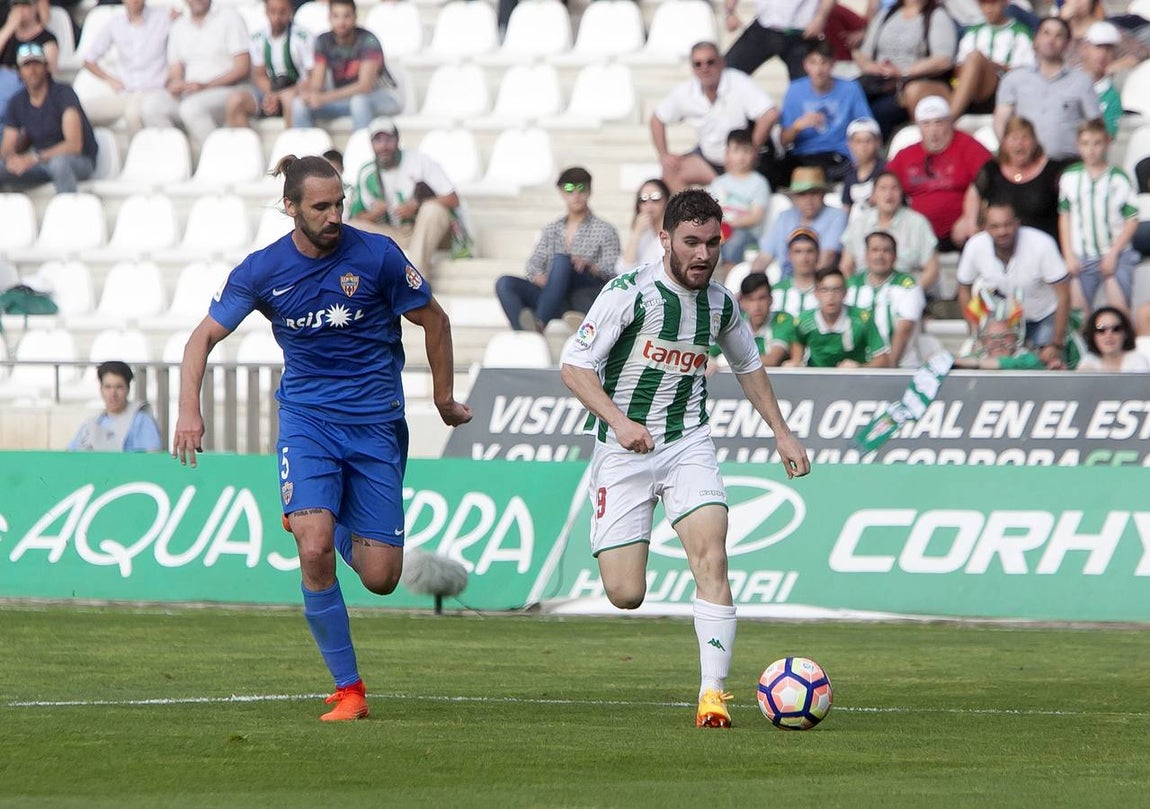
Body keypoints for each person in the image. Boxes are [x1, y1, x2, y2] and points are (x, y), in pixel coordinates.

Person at [172, 154, 472, 722]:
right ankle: (349, 689)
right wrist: (190, 410)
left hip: (377, 425)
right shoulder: (262, 270)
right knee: (313, 549)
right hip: (307, 424)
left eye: (339, 203)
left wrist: (442, 398)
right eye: (321, 206)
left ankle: (317, 517)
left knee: (382, 577)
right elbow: (201, 339)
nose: (335, 215)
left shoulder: (377, 255)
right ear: (291, 207)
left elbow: (435, 320)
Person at [558, 188, 810, 729]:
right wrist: (620, 422)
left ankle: (712, 696)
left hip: (687, 443)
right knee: (625, 593)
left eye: (712, 243)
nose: (702, 254)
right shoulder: (629, 293)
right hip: (622, 451)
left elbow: (749, 366)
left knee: (712, 558)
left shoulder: (721, 302)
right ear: (665, 238)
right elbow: (574, 365)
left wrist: (782, 434)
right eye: (691, 242)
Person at [495, 166, 620, 332]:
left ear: (590, 191)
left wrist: (588, 265)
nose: (576, 195)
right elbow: (533, 265)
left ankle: (540, 321)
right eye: (569, 189)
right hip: (551, 294)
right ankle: (527, 333)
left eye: (581, 188)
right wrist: (550, 280)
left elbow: (613, 271)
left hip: (582, 291)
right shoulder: (552, 228)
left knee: (562, 261)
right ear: (562, 192)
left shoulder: (605, 229)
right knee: (505, 283)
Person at [650, 41, 778, 193]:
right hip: (707, 160)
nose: (705, 68)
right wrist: (664, 155)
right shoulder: (685, 91)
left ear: (722, 62)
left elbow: (770, 114)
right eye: (698, 64)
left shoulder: (738, 82)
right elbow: (657, 119)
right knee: (671, 170)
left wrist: (752, 149)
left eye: (710, 62)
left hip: (740, 160)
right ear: (692, 68)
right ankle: (688, 215)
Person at [956, 201, 1070, 366]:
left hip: (1043, 316)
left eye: (1007, 225)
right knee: (995, 367)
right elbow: (963, 288)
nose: (1002, 231)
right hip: (1003, 321)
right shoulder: (975, 246)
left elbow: (1064, 295)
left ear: (1017, 223)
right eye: (994, 226)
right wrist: (975, 333)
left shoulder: (1042, 244)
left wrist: (1056, 343)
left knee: (1047, 366)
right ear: (985, 228)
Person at [346, 118, 461, 275]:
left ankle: (415, 280)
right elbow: (356, 217)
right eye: (378, 140)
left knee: (432, 209)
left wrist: (416, 206)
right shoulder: (366, 171)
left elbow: (453, 199)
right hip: (395, 233)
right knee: (350, 228)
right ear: (371, 144)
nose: (383, 146)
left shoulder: (419, 161)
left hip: (426, 230)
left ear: (398, 139)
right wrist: (375, 213)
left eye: (388, 139)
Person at [887, 95, 992, 251]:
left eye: (939, 123)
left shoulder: (968, 146)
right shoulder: (905, 156)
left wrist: (970, 218)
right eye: (926, 124)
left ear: (950, 123)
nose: (933, 131)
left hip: (962, 233)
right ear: (918, 126)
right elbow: (884, 186)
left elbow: (993, 180)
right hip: (917, 235)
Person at [1057, 118, 1139, 317]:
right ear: (1078, 146)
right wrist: (1068, 255)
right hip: (1082, 256)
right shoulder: (1069, 177)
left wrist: (1113, 253)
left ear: (1107, 143)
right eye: (1085, 144)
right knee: (1078, 316)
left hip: (1115, 254)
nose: (1091, 150)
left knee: (1119, 313)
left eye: (1097, 143)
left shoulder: (1119, 178)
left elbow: (1132, 219)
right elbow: (1064, 216)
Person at [993, 16, 1100, 165]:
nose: (1051, 40)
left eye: (1059, 36)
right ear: (1036, 39)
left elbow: (1094, 125)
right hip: (1026, 163)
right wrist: (1013, 154)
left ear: (1067, 43)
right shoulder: (1014, 79)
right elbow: (1001, 122)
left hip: (1066, 163)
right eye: (1046, 33)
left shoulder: (1082, 81)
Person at [150, 0, 251, 150]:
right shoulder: (178, 27)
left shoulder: (230, 17)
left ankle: (219, 159)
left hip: (226, 89)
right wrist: (175, 84)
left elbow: (243, 67)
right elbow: (175, 71)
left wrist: (206, 86)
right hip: (191, 91)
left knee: (190, 108)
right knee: (152, 106)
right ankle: (178, 160)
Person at [851, 0, 957, 140]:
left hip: (910, 82)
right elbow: (864, 53)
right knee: (848, 96)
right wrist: (870, 66)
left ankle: (875, 155)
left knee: (880, 111)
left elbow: (943, 60)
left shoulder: (936, 16)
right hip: (877, 77)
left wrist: (903, 71)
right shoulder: (887, 13)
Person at [291, 0, 403, 131]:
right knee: (299, 104)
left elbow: (364, 86)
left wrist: (324, 97)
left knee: (359, 102)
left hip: (381, 96)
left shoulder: (369, 40)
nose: (341, 22)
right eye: (336, 16)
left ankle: (360, 147)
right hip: (344, 99)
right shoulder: (322, 41)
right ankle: (305, 148)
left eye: (346, 16)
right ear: (329, 18)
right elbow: (317, 83)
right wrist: (309, 94)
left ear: (355, 17)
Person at [0, 43, 97, 193]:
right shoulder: (17, 101)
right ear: (19, 72)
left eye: (36, 64)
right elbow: (7, 145)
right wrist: (11, 159)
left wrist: (33, 159)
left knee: (59, 164)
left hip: (78, 161)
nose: (32, 71)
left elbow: (74, 145)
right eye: (26, 65)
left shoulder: (64, 94)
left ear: (46, 68)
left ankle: (69, 212)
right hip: (41, 162)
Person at [777, 38, 873, 185]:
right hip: (803, 155)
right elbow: (784, 140)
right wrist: (798, 126)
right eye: (813, 63)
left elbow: (867, 126)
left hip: (838, 155)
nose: (819, 70)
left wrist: (857, 155)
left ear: (833, 64)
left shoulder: (850, 89)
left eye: (824, 62)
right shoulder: (794, 90)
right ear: (805, 65)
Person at [954, 115, 1062, 244]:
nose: (1019, 143)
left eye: (1025, 138)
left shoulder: (1053, 170)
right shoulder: (992, 169)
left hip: (1044, 244)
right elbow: (974, 193)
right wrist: (971, 223)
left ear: (1034, 142)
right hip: (1002, 244)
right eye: (1014, 138)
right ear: (1004, 143)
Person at [79, 0, 172, 132]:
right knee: (78, 111)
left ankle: (139, 152)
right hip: (126, 92)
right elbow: (88, 60)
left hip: (153, 90)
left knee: (132, 114)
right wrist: (109, 79)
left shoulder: (162, 17)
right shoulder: (115, 23)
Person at [840, 171, 939, 295]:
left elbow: (932, 270)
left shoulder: (918, 223)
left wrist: (913, 294)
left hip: (906, 291)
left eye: (894, 188)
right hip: (863, 293)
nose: (889, 194)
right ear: (874, 195)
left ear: (901, 193)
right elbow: (846, 267)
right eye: (883, 188)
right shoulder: (859, 223)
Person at [225, 0, 315, 130]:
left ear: (291, 11)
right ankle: (247, 147)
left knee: (289, 99)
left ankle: (290, 147)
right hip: (269, 91)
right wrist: (272, 96)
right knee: (235, 100)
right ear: (266, 12)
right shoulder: (258, 38)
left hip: (295, 90)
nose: (277, 17)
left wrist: (281, 95)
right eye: (273, 12)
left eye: (282, 12)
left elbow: (311, 77)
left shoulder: (304, 38)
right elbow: (259, 76)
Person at [844, 231, 926, 367]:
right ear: (866, 255)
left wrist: (888, 370)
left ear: (895, 256)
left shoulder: (908, 285)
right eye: (875, 250)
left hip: (900, 368)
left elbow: (904, 330)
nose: (879, 256)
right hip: (857, 368)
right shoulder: (852, 285)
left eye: (886, 251)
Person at [751, 166, 846, 277]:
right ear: (794, 197)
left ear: (823, 194)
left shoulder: (836, 216)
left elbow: (827, 258)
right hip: (785, 284)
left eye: (814, 193)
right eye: (802, 194)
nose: (808, 200)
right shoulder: (784, 217)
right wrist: (752, 284)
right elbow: (764, 257)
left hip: (819, 284)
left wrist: (807, 287)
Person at [947, 0, 1034, 120]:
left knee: (974, 57)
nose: (988, 9)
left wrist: (992, 65)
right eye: (983, 4)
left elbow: (1026, 72)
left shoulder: (1021, 33)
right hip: (971, 87)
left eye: (993, 3)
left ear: (1005, 3)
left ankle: (949, 119)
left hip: (1002, 90)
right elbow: (958, 68)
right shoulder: (972, 32)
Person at [790, 266, 890, 367]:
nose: (831, 296)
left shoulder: (862, 319)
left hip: (853, 380)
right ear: (816, 293)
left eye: (836, 290)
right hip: (815, 379)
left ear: (845, 292)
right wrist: (794, 364)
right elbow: (797, 358)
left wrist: (860, 368)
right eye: (824, 290)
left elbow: (882, 359)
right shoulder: (803, 321)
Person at [721, 0, 835, 81]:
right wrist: (730, 13)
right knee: (726, 73)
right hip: (764, 27)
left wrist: (820, 19)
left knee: (806, 84)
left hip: (800, 33)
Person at [707, 128, 770, 274]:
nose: (741, 157)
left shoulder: (759, 183)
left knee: (735, 240)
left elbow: (755, 216)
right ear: (727, 154)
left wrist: (730, 224)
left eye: (746, 151)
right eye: (736, 151)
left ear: (754, 154)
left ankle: (729, 280)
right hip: (720, 231)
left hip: (747, 233)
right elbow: (709, 212)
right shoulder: (718, 183)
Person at [68, 360, 163, 452]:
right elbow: (71, 455)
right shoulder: (91, 423)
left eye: (119, 387)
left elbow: (152, 457)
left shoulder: (141, 421)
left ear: (128, 389)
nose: (113, 394)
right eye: (108, 387)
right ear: (101, 389)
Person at [708, 271, 789, 373]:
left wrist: (724, 364)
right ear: (742, 303)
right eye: (751, 300)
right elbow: (708, 353)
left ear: (771, 299)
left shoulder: (783, 320)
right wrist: (710, 361)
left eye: (761, 298)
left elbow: (773, 359)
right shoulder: (733, 322)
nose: (757, 306)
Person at [0, 0, 56, 128]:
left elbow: (48, 76)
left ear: (35, 7)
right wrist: (9, 27)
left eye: (25, 4)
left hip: (24, 92)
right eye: (16, 5)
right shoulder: (7, 35)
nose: (20, 9)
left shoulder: (46, 39)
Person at [952, 315, 1049, 369]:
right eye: (992, 337)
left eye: (1005, 336)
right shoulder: (977, 356)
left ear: (1015, 338)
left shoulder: (1030, 359)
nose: (998, 342)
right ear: (984, 341)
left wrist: (975, 364)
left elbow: (1008, 363)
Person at [1078, 21, 1123, 137]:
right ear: (1084, 48)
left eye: (1108, 49)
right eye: (1098, 47)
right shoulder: (1065, 82)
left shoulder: (1113, 95)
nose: (1103, 54)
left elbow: (1108, 135)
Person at [616, 178, 669, 274]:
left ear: (666, 200)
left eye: (655, 198)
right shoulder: (642, 234)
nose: (649, 204)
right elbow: (623, 270)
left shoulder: (674, 233)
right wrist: (636, 233)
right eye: (643, 199)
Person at [1076, 306, 1150, 371]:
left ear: (1125, 333)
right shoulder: (1087, 362)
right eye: (1101, 329)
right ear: (1093, 335)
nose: (1108, 335)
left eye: (1116, 329)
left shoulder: (1138, 361)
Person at [839, 116, 884, 214]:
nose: (863, 146)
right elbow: (846, 206)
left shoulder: (885, 169)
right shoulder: (848, 173)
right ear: (850, 144)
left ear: (878, 142)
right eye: (858, 141)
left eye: (868, 141)